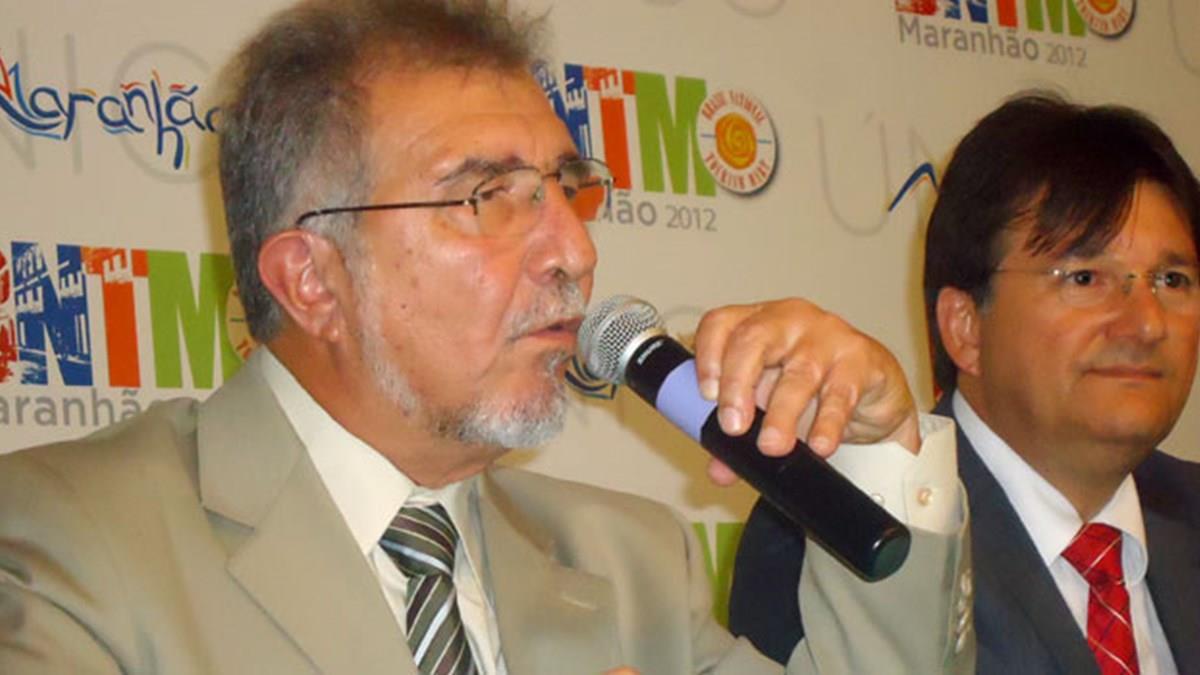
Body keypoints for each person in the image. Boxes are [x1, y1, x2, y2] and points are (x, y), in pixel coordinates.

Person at [0, 1, 972, 673]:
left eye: (566, 188)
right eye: (487, 195)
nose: (575, 250)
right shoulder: (64, 540)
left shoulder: (629, 561)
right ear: (312, 279)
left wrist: (877, 449)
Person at [730, 92, 1200, 674]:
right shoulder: (835, 532)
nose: (1147, 323)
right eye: (1085, 278)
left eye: (1172, 280)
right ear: (965, 327)